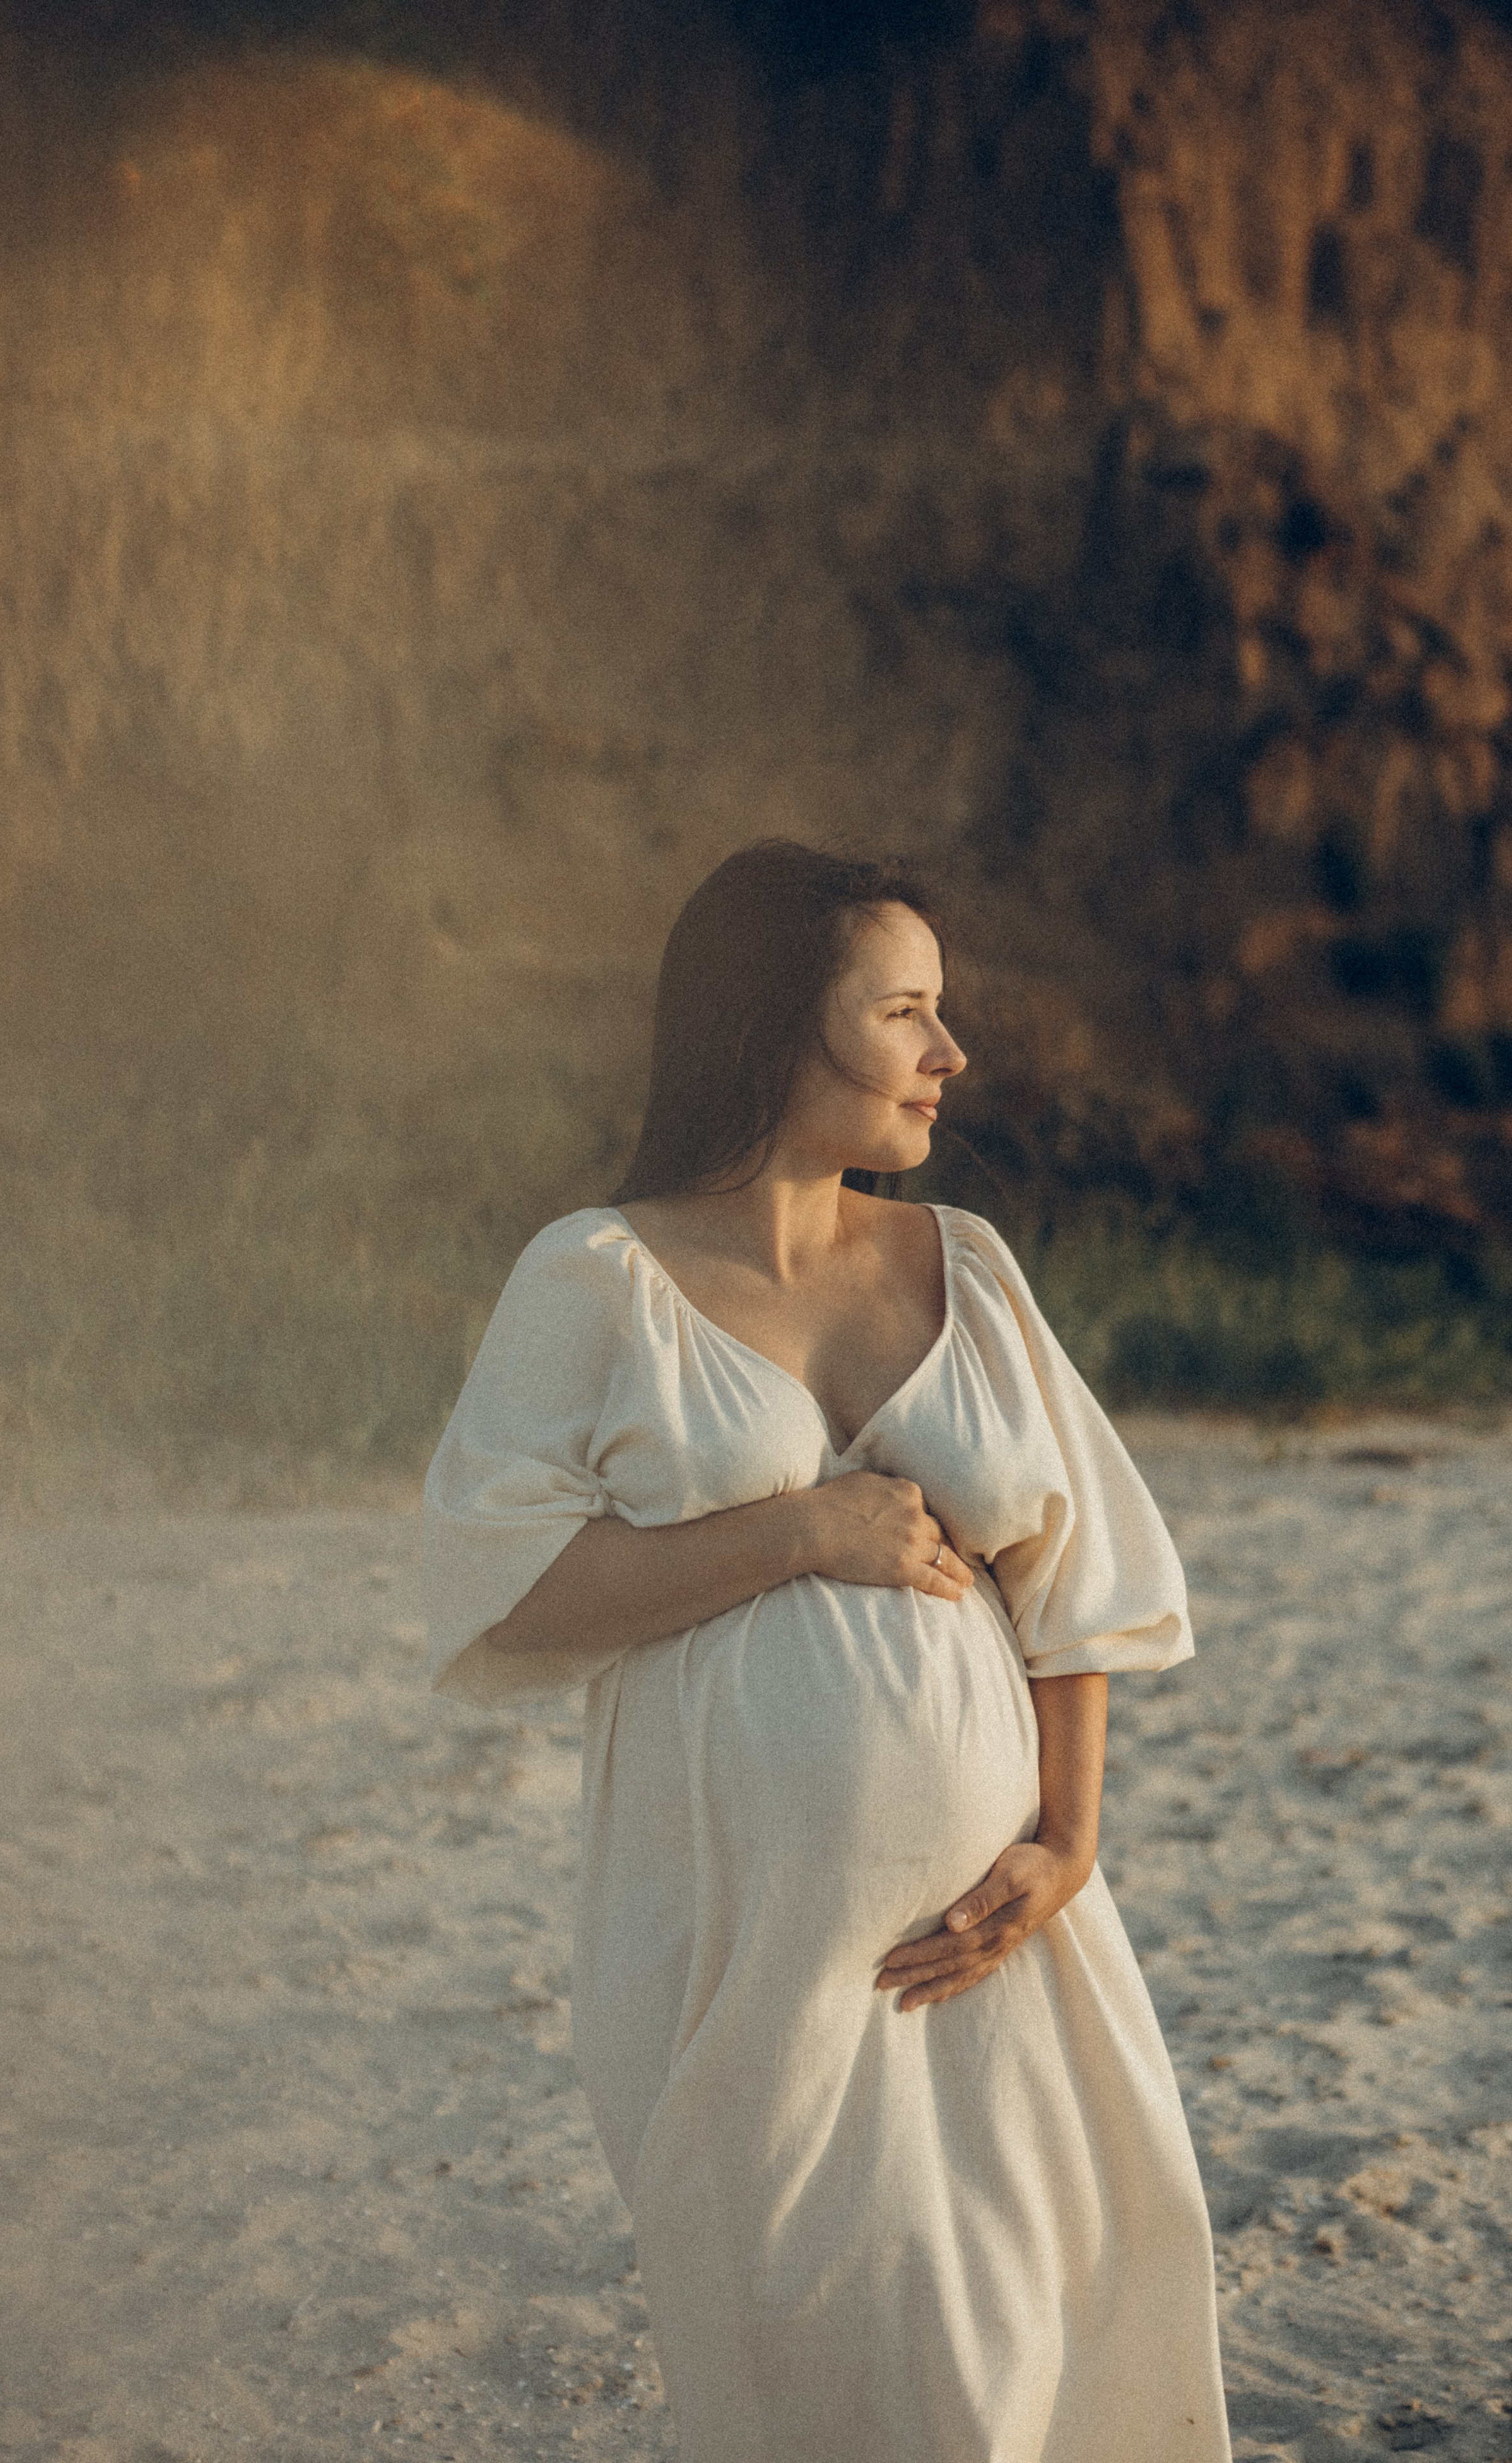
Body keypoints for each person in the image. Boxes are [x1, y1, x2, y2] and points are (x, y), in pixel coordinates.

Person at [421, 840, 1231, 2463]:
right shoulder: (597, 1277)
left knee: (1045, 2362)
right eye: (906, 1013)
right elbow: (496, 1597)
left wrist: (1065, 1844)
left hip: (999, 1945)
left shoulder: (969, 1267)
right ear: (774, 1028)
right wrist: (800, 1532)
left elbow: (1074, 1573)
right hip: (747, 1962)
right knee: (848, 2384)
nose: (950, 1056)